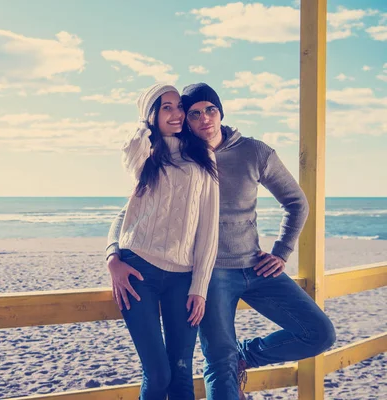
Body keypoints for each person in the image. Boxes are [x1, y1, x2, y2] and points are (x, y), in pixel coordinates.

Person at [106, 83, 336, 400]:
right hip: (211, 275)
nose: (204, 119)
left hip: (256, 268)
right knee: (218, 365)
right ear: (187, 120)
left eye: (210, 110)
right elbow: (133, 211)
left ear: (221, 112)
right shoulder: (180, 156)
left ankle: (245, 355)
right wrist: (112, 254)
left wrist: (281, 252)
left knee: (319, 333)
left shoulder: (254, 152)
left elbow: (297, 203)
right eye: (195, 113)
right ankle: (230, 360)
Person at [108, 83, 219, 400]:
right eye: (166, 107)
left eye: (178, 106)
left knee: (182, 374)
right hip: (138, 271)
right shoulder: (145, 156)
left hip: (182, 278)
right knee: (157, 376)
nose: (177, 114)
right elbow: (132, 158)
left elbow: (208, 228)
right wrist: (112, 258)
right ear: (151, 114)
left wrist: (200, 286)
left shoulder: (203, 156)